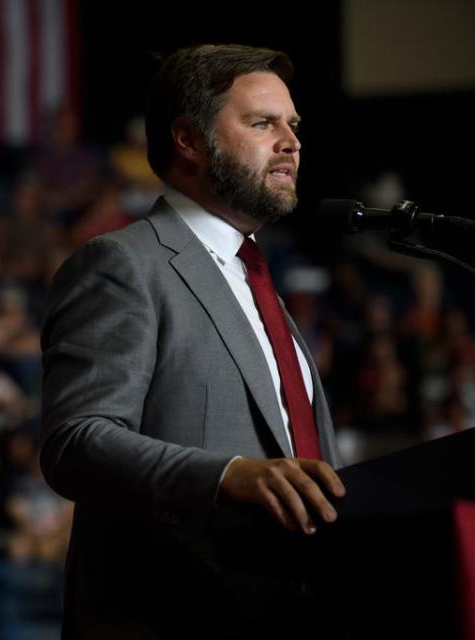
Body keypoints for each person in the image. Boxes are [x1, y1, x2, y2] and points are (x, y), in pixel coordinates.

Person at [39, 44, 347, 638]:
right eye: (262, 123)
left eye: (293, 126)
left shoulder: (256, 281)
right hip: (170, 615)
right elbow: (76, 442)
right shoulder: (124, 263)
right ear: (188, 139)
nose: (291, 141)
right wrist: (229, 476)